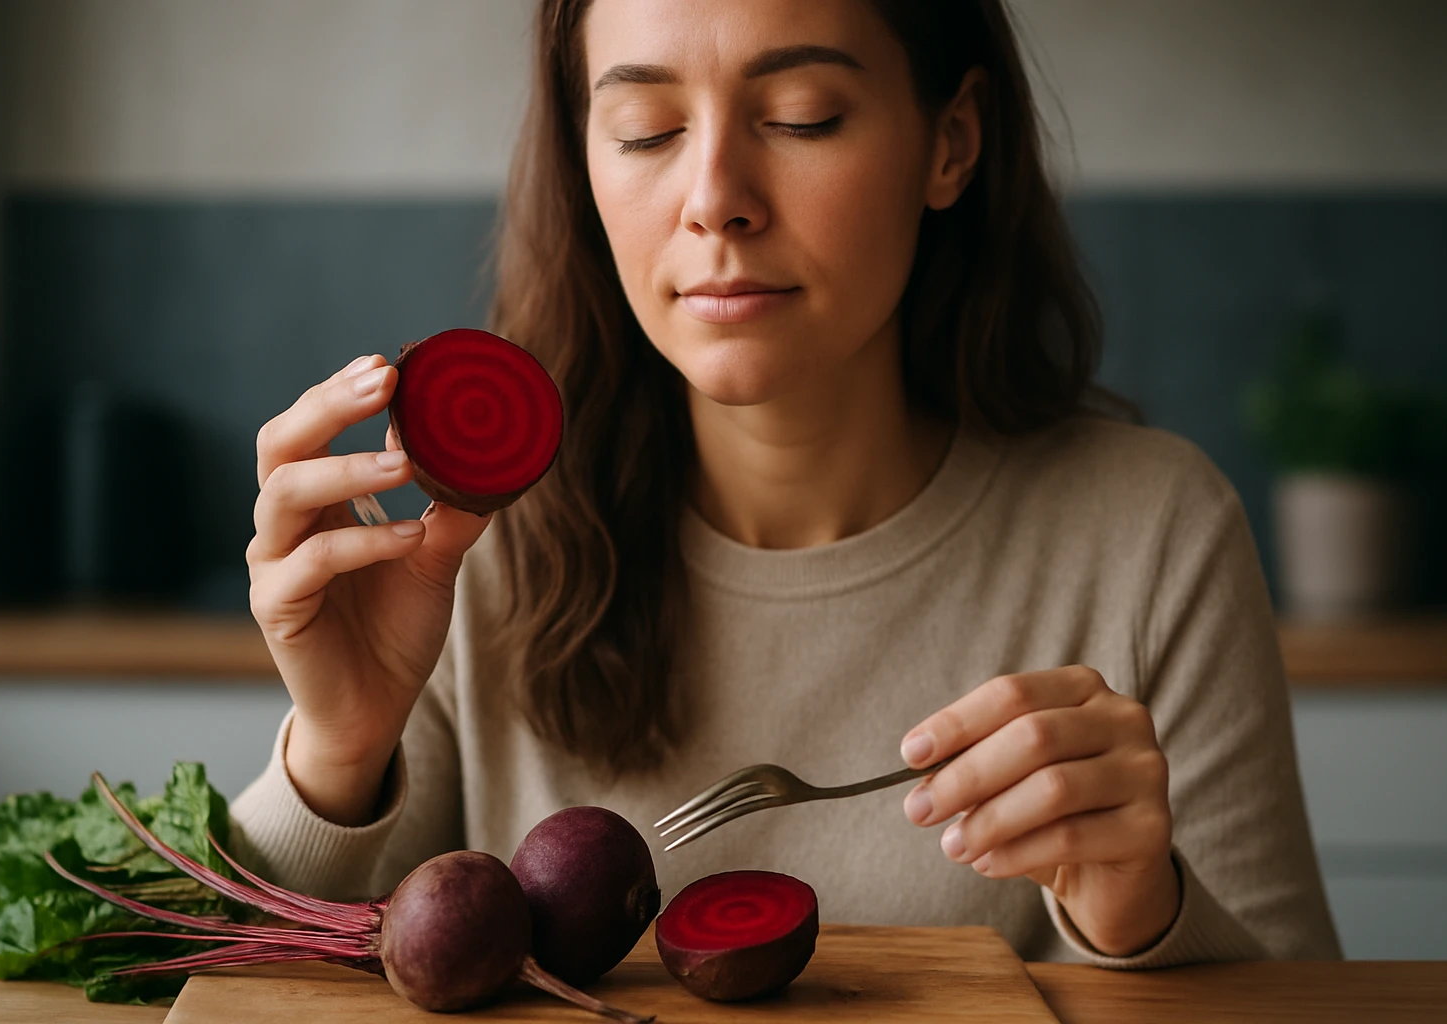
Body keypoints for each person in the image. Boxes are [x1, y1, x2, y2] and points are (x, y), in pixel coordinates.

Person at [234, 0, 1341, 966]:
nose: (714, 198)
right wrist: (334, 754)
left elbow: (1306, 1002)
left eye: (803, 115)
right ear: (584, 159)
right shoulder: (472, 545)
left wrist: (1142, 918)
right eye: (646, 129)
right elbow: (222, 975)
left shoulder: (1152, 533)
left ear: (951, 143)